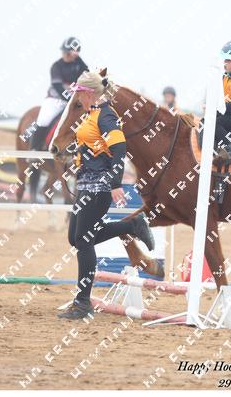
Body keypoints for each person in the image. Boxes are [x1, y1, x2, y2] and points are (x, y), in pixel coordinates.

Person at [59, 70, 155, 320]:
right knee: (75, 238)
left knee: (83, 241)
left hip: (100, 187)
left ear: (89, 93)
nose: (77, 98)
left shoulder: (107, 116)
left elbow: (119, 150)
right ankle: (132, 225)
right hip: (85, 183)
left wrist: (114, 184)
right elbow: (94, 145)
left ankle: (82, 303)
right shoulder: (91, 114)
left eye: (79, 93)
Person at [30, 37, 89, 150]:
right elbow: (58, 87)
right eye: (65, 52)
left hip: (74, 100)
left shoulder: (79, 65)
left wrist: (78, 58)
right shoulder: (56, 66)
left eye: (69, 53)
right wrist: (70, 99)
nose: (65, 55)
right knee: (44, 120)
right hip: (55, 100)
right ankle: (34, 149)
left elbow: (87, 74)